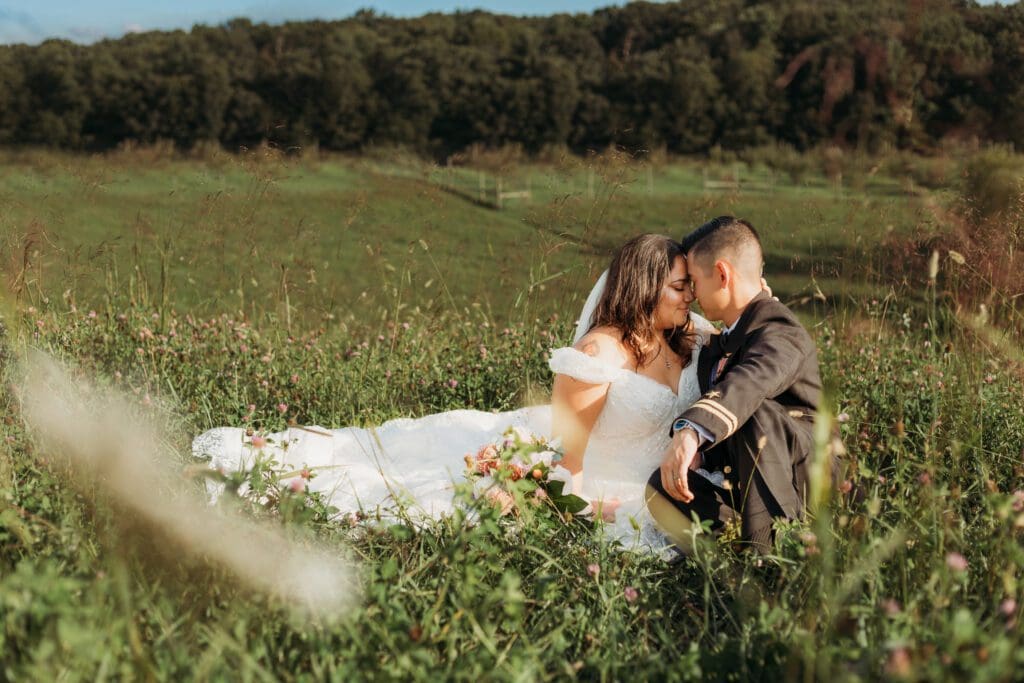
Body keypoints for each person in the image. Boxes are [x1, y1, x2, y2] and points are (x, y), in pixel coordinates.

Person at [192, 233, 714, 551]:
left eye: (689, 286)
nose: (689, 296)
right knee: (413, 491)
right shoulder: (599, 356)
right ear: (643, 289)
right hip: (598, 472)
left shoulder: (684, 335)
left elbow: (747, 343)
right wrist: (580, 507)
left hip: (657, 470)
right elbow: (568, 457)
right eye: (678, 286)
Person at [645, 217, 823, 554]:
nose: (693, 296)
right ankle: (743, 549)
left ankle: (772, 553)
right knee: (661, 487)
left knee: (757, 412)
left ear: (723, 275)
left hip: (801, 481)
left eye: (695, 282)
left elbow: (750, 382)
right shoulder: (725, 338)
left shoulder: (781, 331)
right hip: (744, 485)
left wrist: (691, 431)